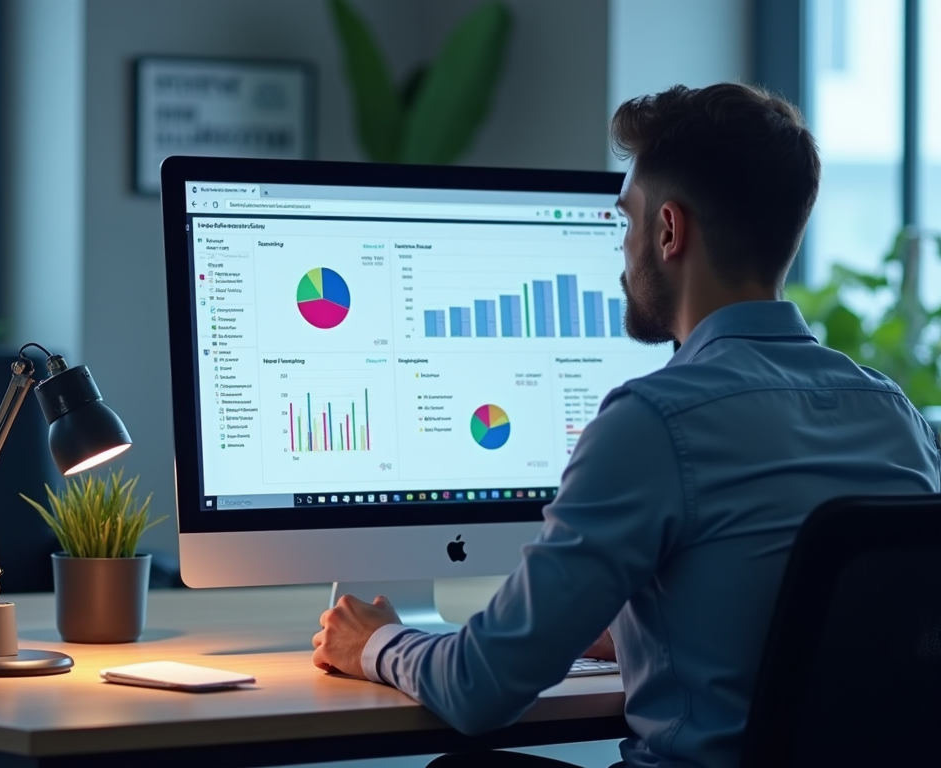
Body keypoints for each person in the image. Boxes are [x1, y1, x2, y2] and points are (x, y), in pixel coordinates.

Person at [311, 83, 941, 768]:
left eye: (627, 221)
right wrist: (643, 628)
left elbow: (480, 687)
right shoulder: (896, 414)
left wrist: (372, 642)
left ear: (669, 231)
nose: (623, 248)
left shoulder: (655, 422)